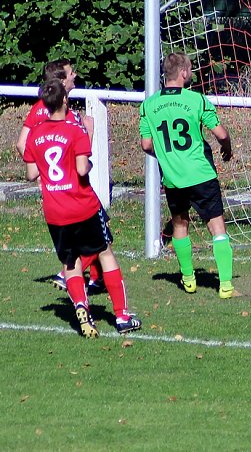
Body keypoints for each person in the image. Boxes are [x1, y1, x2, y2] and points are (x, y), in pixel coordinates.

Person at [23, 79, 141, 337]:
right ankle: (122, 316)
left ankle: (80, 306)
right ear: (65, 100)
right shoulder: (74, 129)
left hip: (54, 210)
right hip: (81, 205)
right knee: (105, 252)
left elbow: (32, 173)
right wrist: (85, 158)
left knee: (70, 260)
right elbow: (80, 168)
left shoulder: (36, 133)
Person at [139, 52, 235, 298]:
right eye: (190, 69)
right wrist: (227, 147)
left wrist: (167, 157)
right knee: (217, 226)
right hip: (201, 174)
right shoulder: (196, 100)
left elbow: (146, 145)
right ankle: (225, 285)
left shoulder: (148, 105)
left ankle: (189, 278)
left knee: (180, 224)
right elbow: (221, 133)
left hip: (173, 177)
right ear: (183, 73)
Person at [16, 59, 103, 295]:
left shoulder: (59, 108)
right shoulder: (47, 109)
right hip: (69, 188)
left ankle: (96, 279)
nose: (75, 75)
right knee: (100, 231)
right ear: (62, 81)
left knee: (92, 232)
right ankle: (68, 275)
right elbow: (23, 144)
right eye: (71, 73)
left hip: (67, 184)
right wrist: (46, 170)